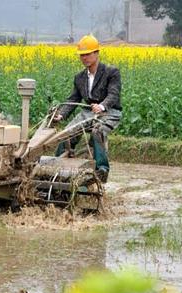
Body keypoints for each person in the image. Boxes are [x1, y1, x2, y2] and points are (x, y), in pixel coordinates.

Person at [53, 34, 122, 183]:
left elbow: (113, 94)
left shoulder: (111, 72)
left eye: (87, 54)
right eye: (82, 55)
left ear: (96, 53)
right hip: (88, 112)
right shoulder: (79, 77)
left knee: (98, 130)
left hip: (109, 112)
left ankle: (102, 170)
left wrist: (102, 106)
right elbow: (73, 99)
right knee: (67, 133)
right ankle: (54, 167)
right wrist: (61, 115)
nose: (84, 58)